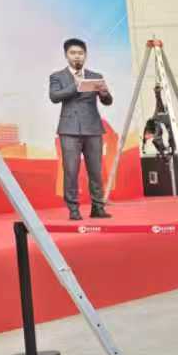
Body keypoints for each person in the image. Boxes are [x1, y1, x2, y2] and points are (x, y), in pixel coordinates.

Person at [49, 39, 114, 221]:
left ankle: (98, 207)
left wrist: (104, 93)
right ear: (66, 55)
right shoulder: (58, 76)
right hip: (69, 129)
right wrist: (75, 85)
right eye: (73, 53)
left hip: (93, 128)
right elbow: (54, 96)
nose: (77, 56)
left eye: (80, 53)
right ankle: (73, 209)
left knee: (96, 170)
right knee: (71, 170)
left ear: (85, 55)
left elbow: (108, 101)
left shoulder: (95, 75)